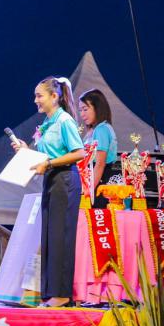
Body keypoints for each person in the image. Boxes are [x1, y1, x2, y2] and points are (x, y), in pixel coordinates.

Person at [10, 76, 84, 307]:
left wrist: (49, 163)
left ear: (54, 96)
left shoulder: (64, 121)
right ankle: (50, 293)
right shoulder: (48, 123)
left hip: (65, 180)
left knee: (61, 237)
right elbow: (46, 155)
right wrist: (26, 151)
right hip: (52, 179)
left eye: (39, 96)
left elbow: (79, 153)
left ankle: (62, 294)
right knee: (50, 237)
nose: (35, 100)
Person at [78, 88, 118, 200]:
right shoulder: (97, 129)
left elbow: (100, 164)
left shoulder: (102, 129)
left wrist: (87, 192)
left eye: (85, 109)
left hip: (99, 185)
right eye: (80, 110)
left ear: (97, 108)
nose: (82, 114)